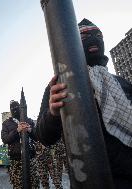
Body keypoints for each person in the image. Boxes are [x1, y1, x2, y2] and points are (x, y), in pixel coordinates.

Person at [35, 18, 132, 188]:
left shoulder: (121, 83)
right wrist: (53, 114)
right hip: (88, 178)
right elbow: (44, 136)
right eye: (85, 36)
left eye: (97, 35)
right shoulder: (60, 85)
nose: (93, 39)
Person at [1, 100, 39, 189]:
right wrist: (17, 130)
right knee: (18, 185)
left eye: (16, 107)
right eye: (12, 108)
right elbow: (5, 139)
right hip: (16, 160)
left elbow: (37, 136)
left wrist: (30, 130)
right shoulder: (6, 123)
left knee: (34, 184)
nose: (14, 110)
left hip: (31, 158)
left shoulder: (29, 120)